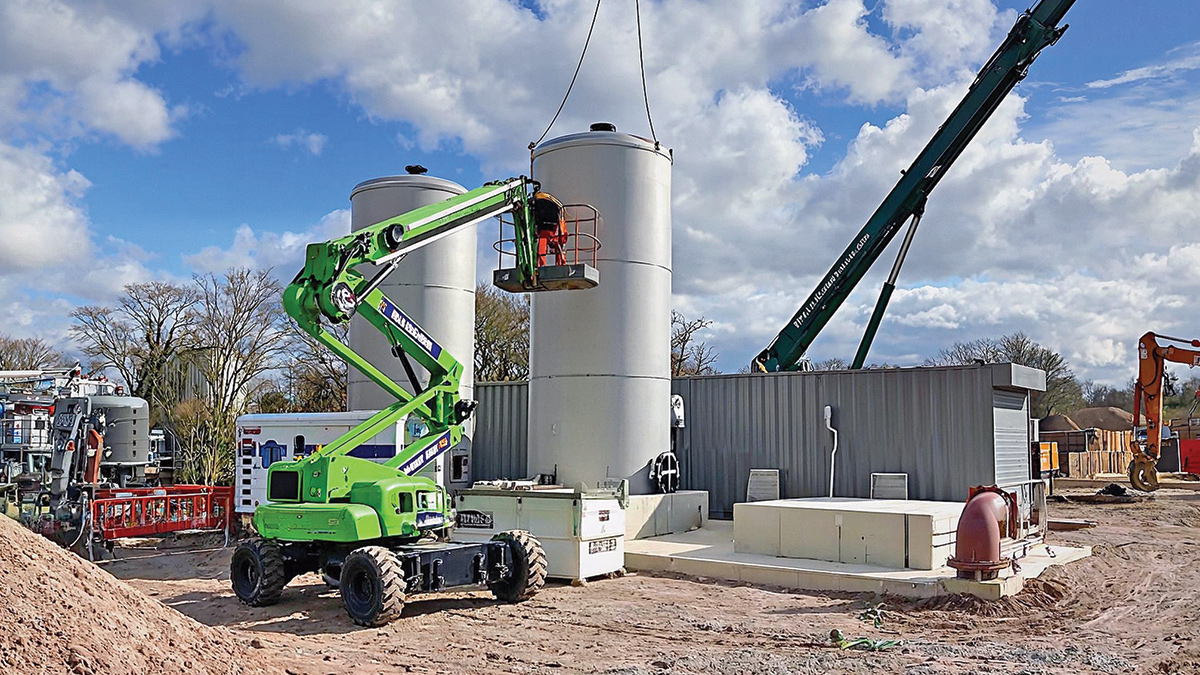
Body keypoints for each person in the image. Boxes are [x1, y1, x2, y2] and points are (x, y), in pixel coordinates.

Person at [532, 192, 569, 266]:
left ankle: (541, 264)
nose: (550, 250)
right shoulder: (558, 238)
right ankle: (560, 264)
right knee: (557, 246)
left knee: (543, 246)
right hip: (550, 227)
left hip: (544, 226)